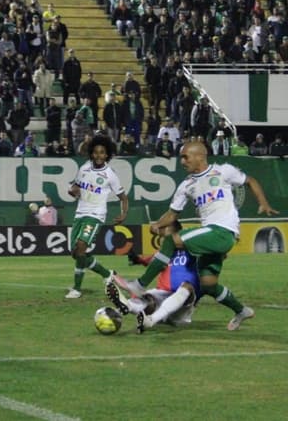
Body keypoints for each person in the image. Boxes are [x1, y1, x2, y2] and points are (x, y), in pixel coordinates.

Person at [110, 142, 279, 330]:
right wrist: (158, 224)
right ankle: (241, 310)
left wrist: (263, 202)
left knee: (172, 240)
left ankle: (140, 285)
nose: (182, 161)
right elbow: (173, 214)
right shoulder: (186, 185)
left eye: (185, 156)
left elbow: (250, 181)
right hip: (212, 233)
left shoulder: (223, 171)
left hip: (222, 230)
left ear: (200, 155)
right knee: (208, 284)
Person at [107, 221, 203, 334]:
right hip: (162, 298)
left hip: (181, 308)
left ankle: (146, 317)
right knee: (148, 298)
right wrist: (137, 259)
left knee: (187, 287)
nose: (161, 238)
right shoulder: (162, 254)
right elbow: (149, 261)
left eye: (163, 234)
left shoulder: (192, 249)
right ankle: (127, 306)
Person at [65, 135, 129, 299]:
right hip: (80, 213)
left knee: (81, 246)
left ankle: (77, 289)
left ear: (107, 155)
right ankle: (107, 274)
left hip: (96, 214)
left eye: (102, 152)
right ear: (92, 154)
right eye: (96, 152)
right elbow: (76, 187)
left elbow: (123, 197)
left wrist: (123, 214)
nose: (99, 155)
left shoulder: (110, 174)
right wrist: (73, 191)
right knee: (76, 253)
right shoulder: (84, 168)